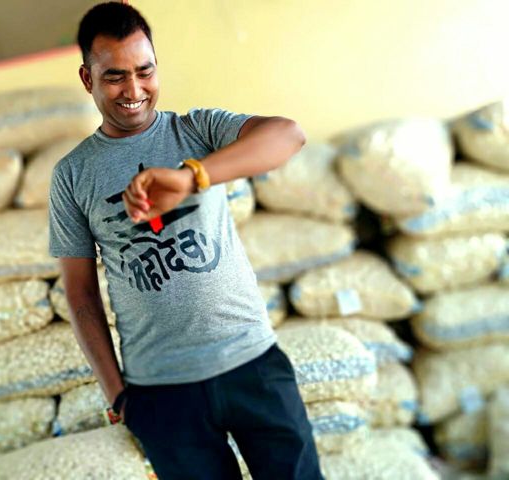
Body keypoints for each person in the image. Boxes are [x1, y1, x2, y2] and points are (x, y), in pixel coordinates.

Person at [49, 2, 323, 479]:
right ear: (87, 79)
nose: (134, 90)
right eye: (115, 77)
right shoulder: (72, 175)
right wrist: (118, 396)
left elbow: (288, 135)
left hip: (253, 365)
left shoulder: (196, 129)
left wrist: (191, 176)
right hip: (161, 393)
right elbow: (81, 294)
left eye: (145, 71)